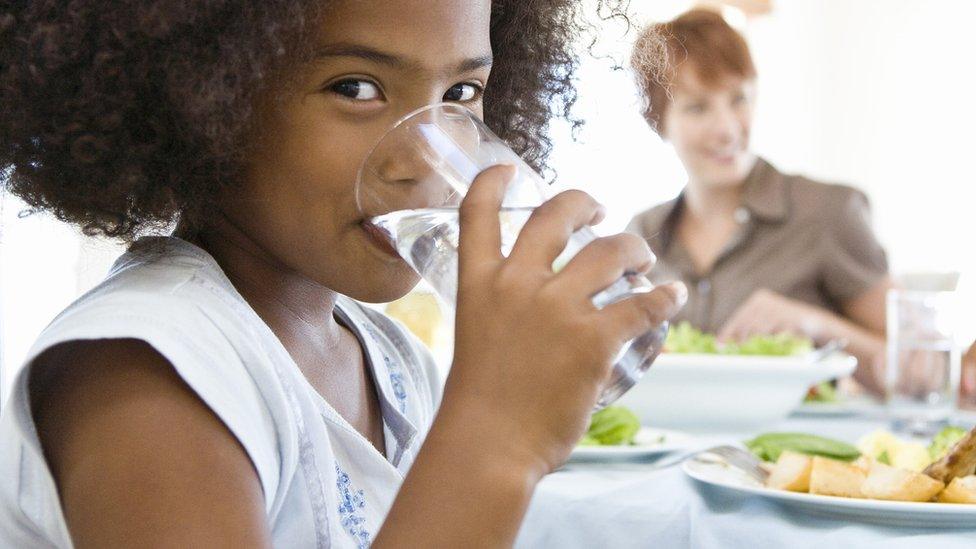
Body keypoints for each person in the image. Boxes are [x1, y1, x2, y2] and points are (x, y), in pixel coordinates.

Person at [0, 1, 686, 546]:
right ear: (202, 97)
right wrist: (499, 437)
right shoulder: (146, 373)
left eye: (462, 90)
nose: (425, 159)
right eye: (355, 87)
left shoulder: (389, 360)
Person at [627, 9, 891, 394]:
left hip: (792, 452)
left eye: (738, 99)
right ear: (659, 121)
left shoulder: (828, 212)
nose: (727, 129)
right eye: (698, 107)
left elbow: (920, 371)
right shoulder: (643, 236)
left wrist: (813, 325)